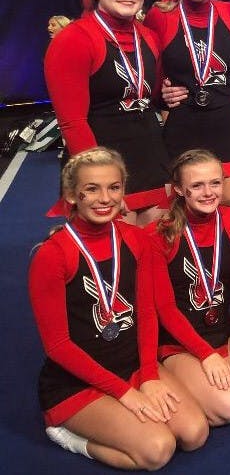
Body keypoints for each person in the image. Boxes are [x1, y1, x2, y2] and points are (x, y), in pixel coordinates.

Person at [29, 147, 207, 469]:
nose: (104, 199)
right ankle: (71, 437)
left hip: (132, 364)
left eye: (114, 188)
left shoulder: (137, 240)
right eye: (91, 189)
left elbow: (148, 313)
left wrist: (150, 376)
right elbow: (57, 346)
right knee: (157, 450)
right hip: (78, 379)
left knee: (194, 434)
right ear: (72, 195)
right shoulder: (52, 255)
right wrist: (124, 393)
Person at [147, 149, 230, 425]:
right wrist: (205, 355)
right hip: (179, 341)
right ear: (179, 189)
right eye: (196, 185)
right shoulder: (159, 234)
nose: (208, 193)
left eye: (215, 183)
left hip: (223, 331)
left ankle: (202, 388)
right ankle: (176, 382)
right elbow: (164, 308)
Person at [44, 0, 169, 226]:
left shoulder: (148, 37)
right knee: (115, 263)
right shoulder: (74, 39)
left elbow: (153, 96)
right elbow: (72, 122)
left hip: (151, 164)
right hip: (102, 169)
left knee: (154, 258)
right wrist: (102, 183)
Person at [144, 0, 230, 209]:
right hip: (183, 127)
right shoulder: (159, 16)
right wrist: (162, 95)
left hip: (226, 126)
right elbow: (148, 76)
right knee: (178, 215)